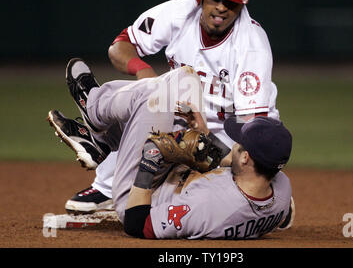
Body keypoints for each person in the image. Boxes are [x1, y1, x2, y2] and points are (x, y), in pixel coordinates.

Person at [62, 0, 281, 215]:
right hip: (179, 117)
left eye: (231, 3)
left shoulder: (252, 44)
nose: (222, 7)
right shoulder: (180, 11)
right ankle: (106, 175)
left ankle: (100, 135)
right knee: (157, 97)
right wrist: (144, 72)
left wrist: (231, 162)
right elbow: (120, 47)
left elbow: (251, 129)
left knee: (227, 194)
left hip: (229, 132)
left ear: (242, 6)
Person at [48, 63, 294, 239]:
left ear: (247, 157)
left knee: (154, 96)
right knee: (185, 78)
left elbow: (137, 224)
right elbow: (233, 162)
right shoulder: (278, 186)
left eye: (239, 143)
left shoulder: (208, 207)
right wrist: (203, 133)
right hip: (176, 175)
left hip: (138, 196)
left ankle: (93, 107)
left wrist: (152, 157)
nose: (234, 143)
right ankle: (100, 142)